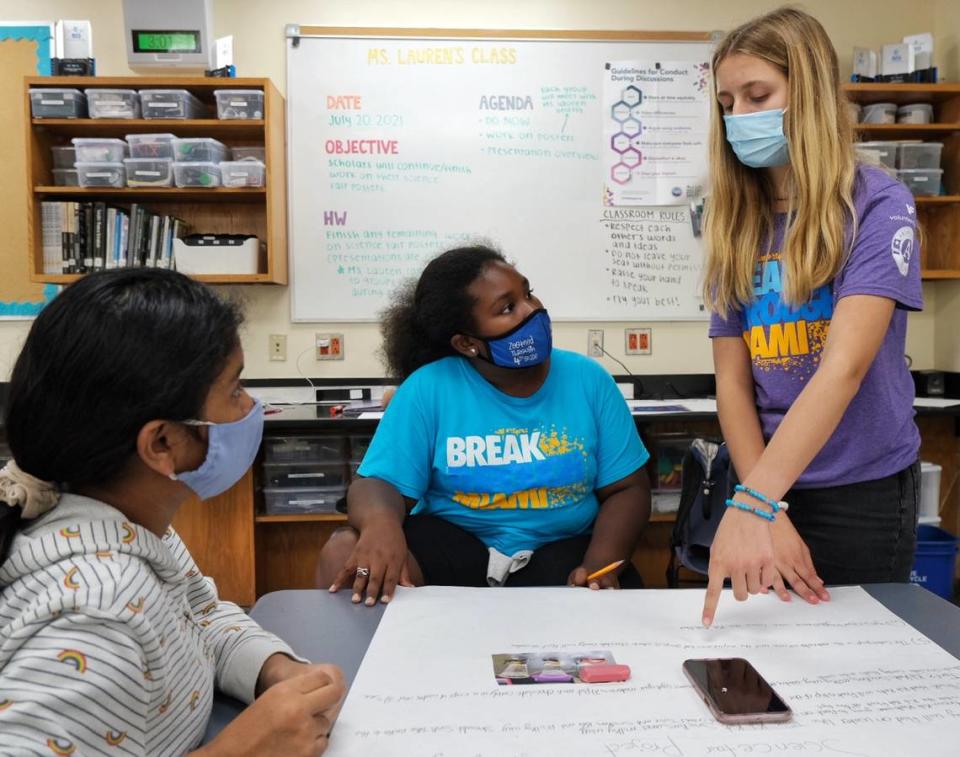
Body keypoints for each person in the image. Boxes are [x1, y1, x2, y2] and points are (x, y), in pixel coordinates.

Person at [0, 269, 344, 756]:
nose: (251, 407)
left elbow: (197, 617)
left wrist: (274, 668)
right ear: (162, 442)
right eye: (235, 390)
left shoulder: (130, 527)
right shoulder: (97, 615)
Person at [701, 7, 922, 627]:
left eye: (758, 94)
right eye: (727, 101)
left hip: (862, 490)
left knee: (855, 658)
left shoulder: (877, 204)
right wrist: (767, 504)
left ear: (811, 93)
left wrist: (755, 506)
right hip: (768, 479)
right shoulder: (734, 218)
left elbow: (843, 368)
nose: (739, 116)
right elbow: (732, 382)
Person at [316, 246, 651, 603]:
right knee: (344, 551)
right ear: (467, 343)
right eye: (508, 308)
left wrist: (601, 565)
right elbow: (376, 484)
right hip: (454, 546)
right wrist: (380, 526)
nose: (531, 310)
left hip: (563, 551)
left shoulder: (588, 380)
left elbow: (628, 490)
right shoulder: (429, 388)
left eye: (527, 293)